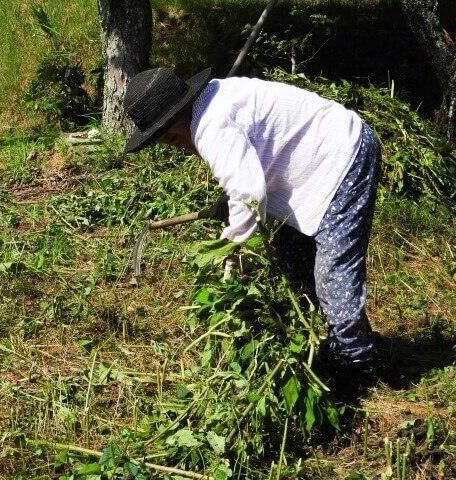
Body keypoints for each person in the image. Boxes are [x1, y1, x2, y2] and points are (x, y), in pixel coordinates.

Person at [122, 67, 381, 368]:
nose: (175, 145)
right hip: (311, 166)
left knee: (332, 274)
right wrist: (229, 201)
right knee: (294, 262)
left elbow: (249, 194)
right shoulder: (212, 101)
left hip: (341, 156)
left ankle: (357, 365)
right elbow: (247, 168)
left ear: (176, 119)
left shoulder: (210, 125)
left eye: (170, 137)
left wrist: (234, 250)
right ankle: (320, 343)